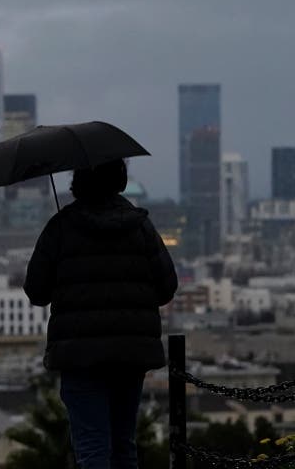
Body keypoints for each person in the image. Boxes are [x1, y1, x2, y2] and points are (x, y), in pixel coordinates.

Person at [23, 158, 178, 469]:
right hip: (130, 353)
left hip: (79, 354)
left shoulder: (61, 227)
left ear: (77, 181)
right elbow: (167, 287)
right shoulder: (140, 226)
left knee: (93, 448)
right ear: (120, 179)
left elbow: (36, 291)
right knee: (124, 446)